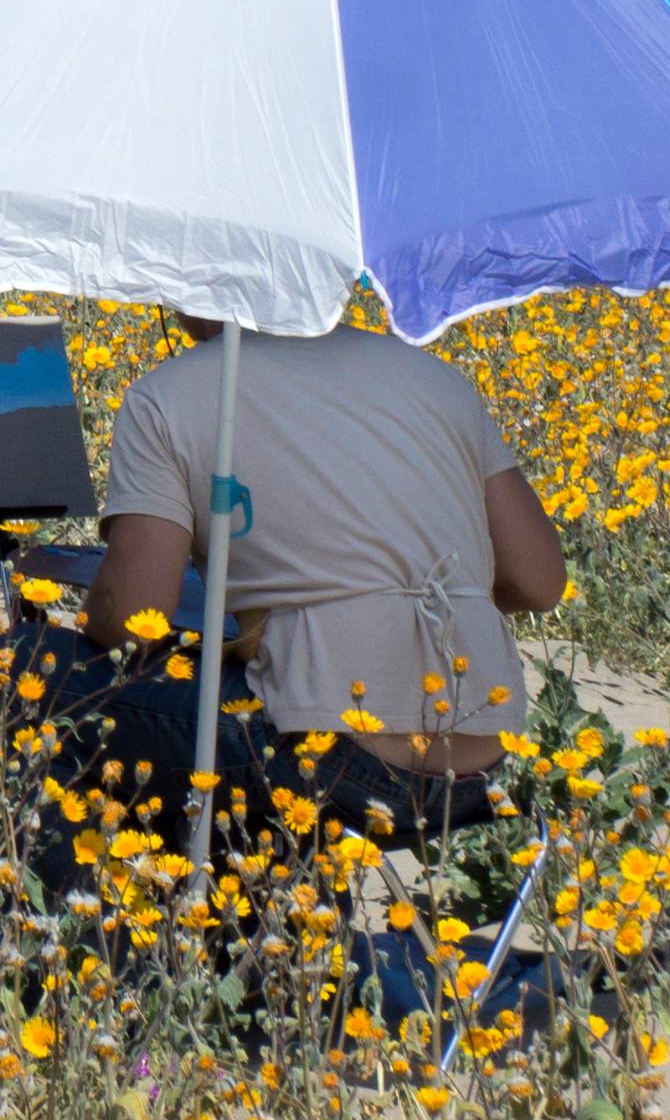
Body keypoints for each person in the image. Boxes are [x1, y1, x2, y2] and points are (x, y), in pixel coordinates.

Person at [66, 311, 565, 851]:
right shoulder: (436, 379)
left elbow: (138, 617)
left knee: (32, 665)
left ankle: (87, 921)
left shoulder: (167, 396)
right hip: (485, 764)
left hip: (336, 763)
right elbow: (540, 581)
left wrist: (96, 607)